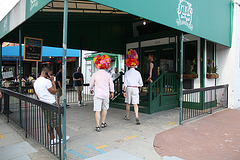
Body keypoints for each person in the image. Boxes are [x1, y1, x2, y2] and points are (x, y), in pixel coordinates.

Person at [33, 67, 69, 145]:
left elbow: (37, 95)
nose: (51, 75)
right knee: (56, 122)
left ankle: (52, 139)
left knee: (49, 122)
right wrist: (52, 81)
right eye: (50, 74)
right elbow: (54, 92)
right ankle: (62, 138)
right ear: (46, 73)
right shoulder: (46, 81)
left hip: (43, 103)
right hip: (51, 103)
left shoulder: (36, 82)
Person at [89, 55, 114, 132]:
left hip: (97, 94)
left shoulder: (95, 74)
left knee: (97, 110)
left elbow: (91, 85)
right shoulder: (108, 74)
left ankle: (97, 126)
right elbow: (111, 84)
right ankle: (103, 123)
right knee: (105, 108)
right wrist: (112, 92)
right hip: (106, 94)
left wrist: (91, 89)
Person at [123, 49, 143, 125]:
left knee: (128, 103)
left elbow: (125, 83)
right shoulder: (138, 73)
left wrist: (124, 91)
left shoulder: (127, 73)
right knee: (135, 104)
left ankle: (127, 116)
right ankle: (137, 117)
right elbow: (141, 83)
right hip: (135, 88)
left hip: (128, 88)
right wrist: (140, 88)